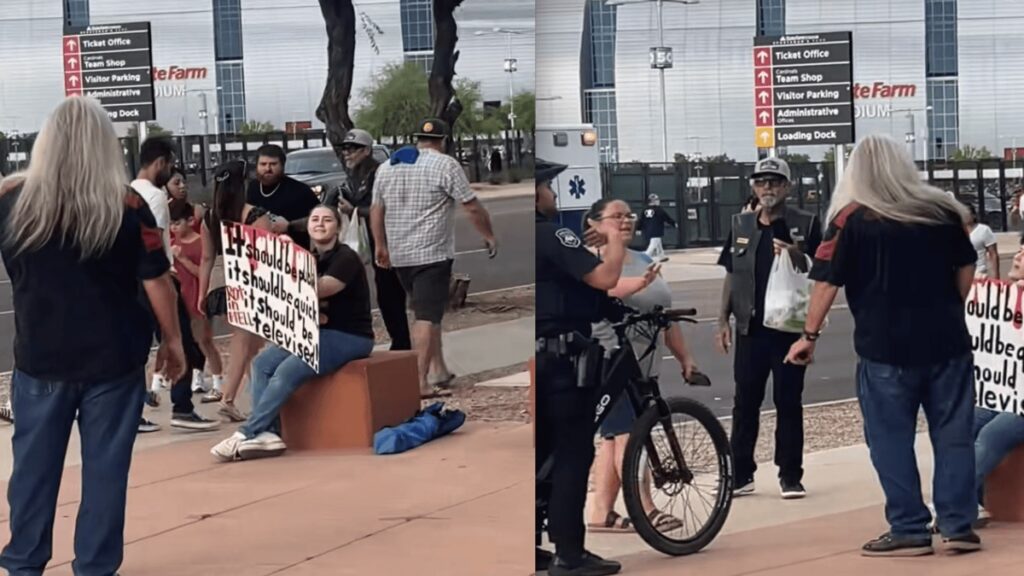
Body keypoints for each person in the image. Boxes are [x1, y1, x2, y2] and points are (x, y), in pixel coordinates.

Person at [0, 96, 186, 576]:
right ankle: (95, 568)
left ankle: (22, 565)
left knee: (32, 474)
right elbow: (155, 279)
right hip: (115, 360)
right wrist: (173, 343)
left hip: (40, 359)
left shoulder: (12, 200)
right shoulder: (127, 206)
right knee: (106, 475)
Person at [785, 134, 982, 556]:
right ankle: (958, 524)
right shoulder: (940, 211)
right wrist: (951, 305)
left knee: (890, 438)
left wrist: (809, 336)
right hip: (947, 343)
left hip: (884, 349)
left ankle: (910, 527)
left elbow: (825, 282)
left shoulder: (850, 219)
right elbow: (967, 264)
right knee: (954, 435)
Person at [210, 205, 375, 461]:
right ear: (308, 225)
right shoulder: (308, 257)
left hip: (349, 336)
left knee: (287, 371)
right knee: (262, 363)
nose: (320, 224)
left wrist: (283, 264)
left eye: (327, 219)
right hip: (314, 332)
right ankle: (270, 435)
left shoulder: (345, 258)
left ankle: (247, 432)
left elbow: (321, 288)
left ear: (338, 227)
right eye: (315, 219)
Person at [535, 159, 625, 576]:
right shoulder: (552, 233)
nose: (553, 195)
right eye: (548, 188)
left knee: (542, 455)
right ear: (536, 193)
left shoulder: (533, 238)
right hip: (562, 361)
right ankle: (569, 553)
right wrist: (614, 239)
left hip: (535, 357)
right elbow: (605, 278)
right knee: (572, 453)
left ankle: (534, 545)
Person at [585, 198, 695, 535]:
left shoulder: (645, 259)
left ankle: (600, 513)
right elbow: (608, 289)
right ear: (594, 223)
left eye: (628, 215)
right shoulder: (590, 260)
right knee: (628, 438)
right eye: (616, 216)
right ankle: (646, 508)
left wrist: (684, 358)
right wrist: (640, 284)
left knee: (611, 441)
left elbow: (664, 316)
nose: (625, 221)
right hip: (609, 364)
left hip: (644, 367)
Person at [716, 156, 821, 499]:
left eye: (774, 182)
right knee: (745, 402)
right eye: (761, 182)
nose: (767, 188)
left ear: (787, 187)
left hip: (789, 330)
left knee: (788, 401)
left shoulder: (805, 223)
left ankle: (790, 475)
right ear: (753, 187)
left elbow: (822, 274)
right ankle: (740, 473)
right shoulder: (742, 225)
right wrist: (723, 320)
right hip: (751, 328)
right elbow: (732, 273)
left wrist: (795, 254)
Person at [370, 118, 497, 398]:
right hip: (432, 254)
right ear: (443, 140)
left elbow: (376, 210)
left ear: (418, 138)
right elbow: (472, 206)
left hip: (400, 255)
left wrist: (380, 245)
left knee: (428, 311)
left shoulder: (387, 166)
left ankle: (439, 370)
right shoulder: (446, 164)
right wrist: (488, 235)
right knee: (426, 316)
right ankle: (420, 381)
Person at [132, 137, 219, 432]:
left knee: (138, 348)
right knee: (181, 341)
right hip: (158, 279)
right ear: (160, 163)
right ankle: (182, 408)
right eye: (169, 165)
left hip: (133, 283)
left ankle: (133, 412)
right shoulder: (155, 197)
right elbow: (154, 240)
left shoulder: (128, 192)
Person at [198, 159, 275, 422]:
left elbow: (206, 259)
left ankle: (259, 398)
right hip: (248, 281)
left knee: (252, 344)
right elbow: (267, 254)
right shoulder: (255, 215)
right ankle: (228, 398)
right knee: (244, 341)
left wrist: (202, 293)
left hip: (219, 283)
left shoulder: (209, 218)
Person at [335, 128, 411, 351]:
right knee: (385, 295)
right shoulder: (354, 176)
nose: (347, 153)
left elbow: (389, 209)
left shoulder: (380, 173)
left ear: (366, 150)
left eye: (352, 149)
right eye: (345, 149)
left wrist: (355, 210)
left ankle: (402, 343)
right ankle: (399, 340)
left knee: (392, 294)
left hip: (389, 242)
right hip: (371, 242)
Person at [169, 198, 225, 400]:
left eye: (177, 222)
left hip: (195, 298)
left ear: (190, 220)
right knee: (188, 342)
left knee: (204, 341)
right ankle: (197, 378)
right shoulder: (172, 243)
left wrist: (182, 259)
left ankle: (219, 381)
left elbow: (201, 272)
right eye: (171, 223)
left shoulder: (200, 242)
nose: (173, 227)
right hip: (179, 299)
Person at [246, 144, 320, 248]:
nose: (268, 168)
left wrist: (291, 226)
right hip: (259, 250)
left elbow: (319, 219)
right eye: (263, 164)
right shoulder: (251, 188)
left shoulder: (300, 191)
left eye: (273, 164)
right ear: (256, 166)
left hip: (294, 251)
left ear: (282, 165)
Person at [639, 194, 676, 262]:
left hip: (648, 230)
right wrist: (673, 223)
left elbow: (641, 220)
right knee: (653, 245)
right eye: (657, 200)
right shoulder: (659, 210)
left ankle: (661, 256)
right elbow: (666, 218)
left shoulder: (645, 210)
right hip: (656, 230)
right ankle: (645, 256)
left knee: (658, 243)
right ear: (654, 201)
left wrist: (638, 228)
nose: (658, 201)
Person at [967, 203, 999, 279]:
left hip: (979, 274)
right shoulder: (956, 231)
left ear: (974, 215)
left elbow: (993, 254)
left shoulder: (983, 230)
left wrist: (996, 276)